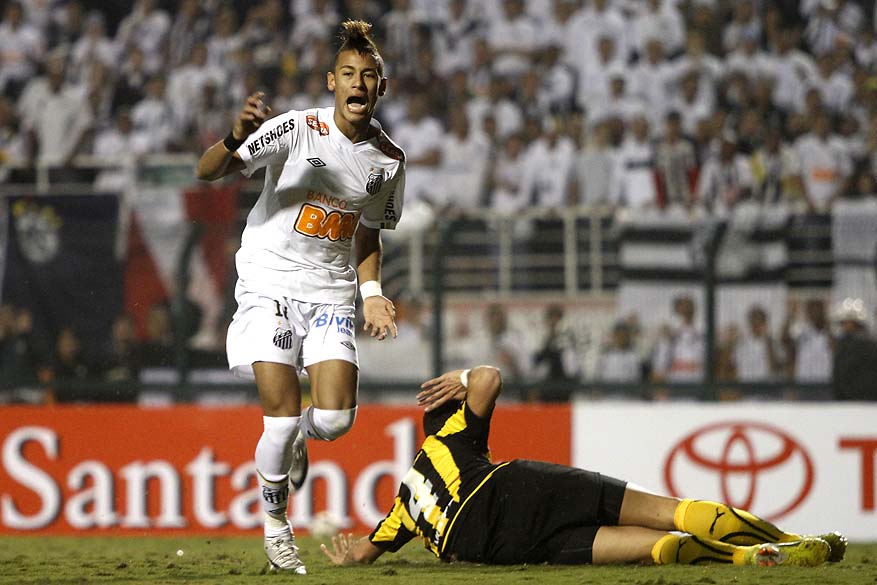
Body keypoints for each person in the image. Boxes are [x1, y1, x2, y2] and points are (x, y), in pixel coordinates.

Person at [195, 20, 405, 574]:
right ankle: (275, 526)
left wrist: (374, 293)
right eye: (349, 75)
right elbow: (209, 171)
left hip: (331, 292)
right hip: (269, 282)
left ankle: (298, 443)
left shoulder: (388, 160)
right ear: (332, 81)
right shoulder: (295, 129)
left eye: (369, 77)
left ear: (380, 88)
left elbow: (367, 233)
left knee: (334, 420)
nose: (358, 84)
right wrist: (235, 135)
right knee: (280, 421)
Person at [321, 365, 846, 568]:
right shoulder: (453, 432)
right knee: (668, 512)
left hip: (493, 549)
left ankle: (747, 562)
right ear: (452, 413)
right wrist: (461, 375)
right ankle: (794, 541)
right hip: (511, 492)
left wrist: (349, 555)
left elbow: (366, 552)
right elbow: (489, 379)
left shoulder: (404, 504)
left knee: (652, 548)